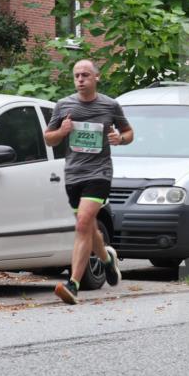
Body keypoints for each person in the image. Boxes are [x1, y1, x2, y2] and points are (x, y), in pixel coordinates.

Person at [44, 59, 134, 304]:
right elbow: (49, 139)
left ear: (96, 77)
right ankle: (107, 259)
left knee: (83, 223)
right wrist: (62, 131)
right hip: (73, 174)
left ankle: (73, 284)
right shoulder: (63, 105)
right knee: (88, 226)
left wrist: (120, 139)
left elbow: (129, 133)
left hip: (99, 173)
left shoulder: (110, 105)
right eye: (77, 76)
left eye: (85, 75)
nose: (80, 79)